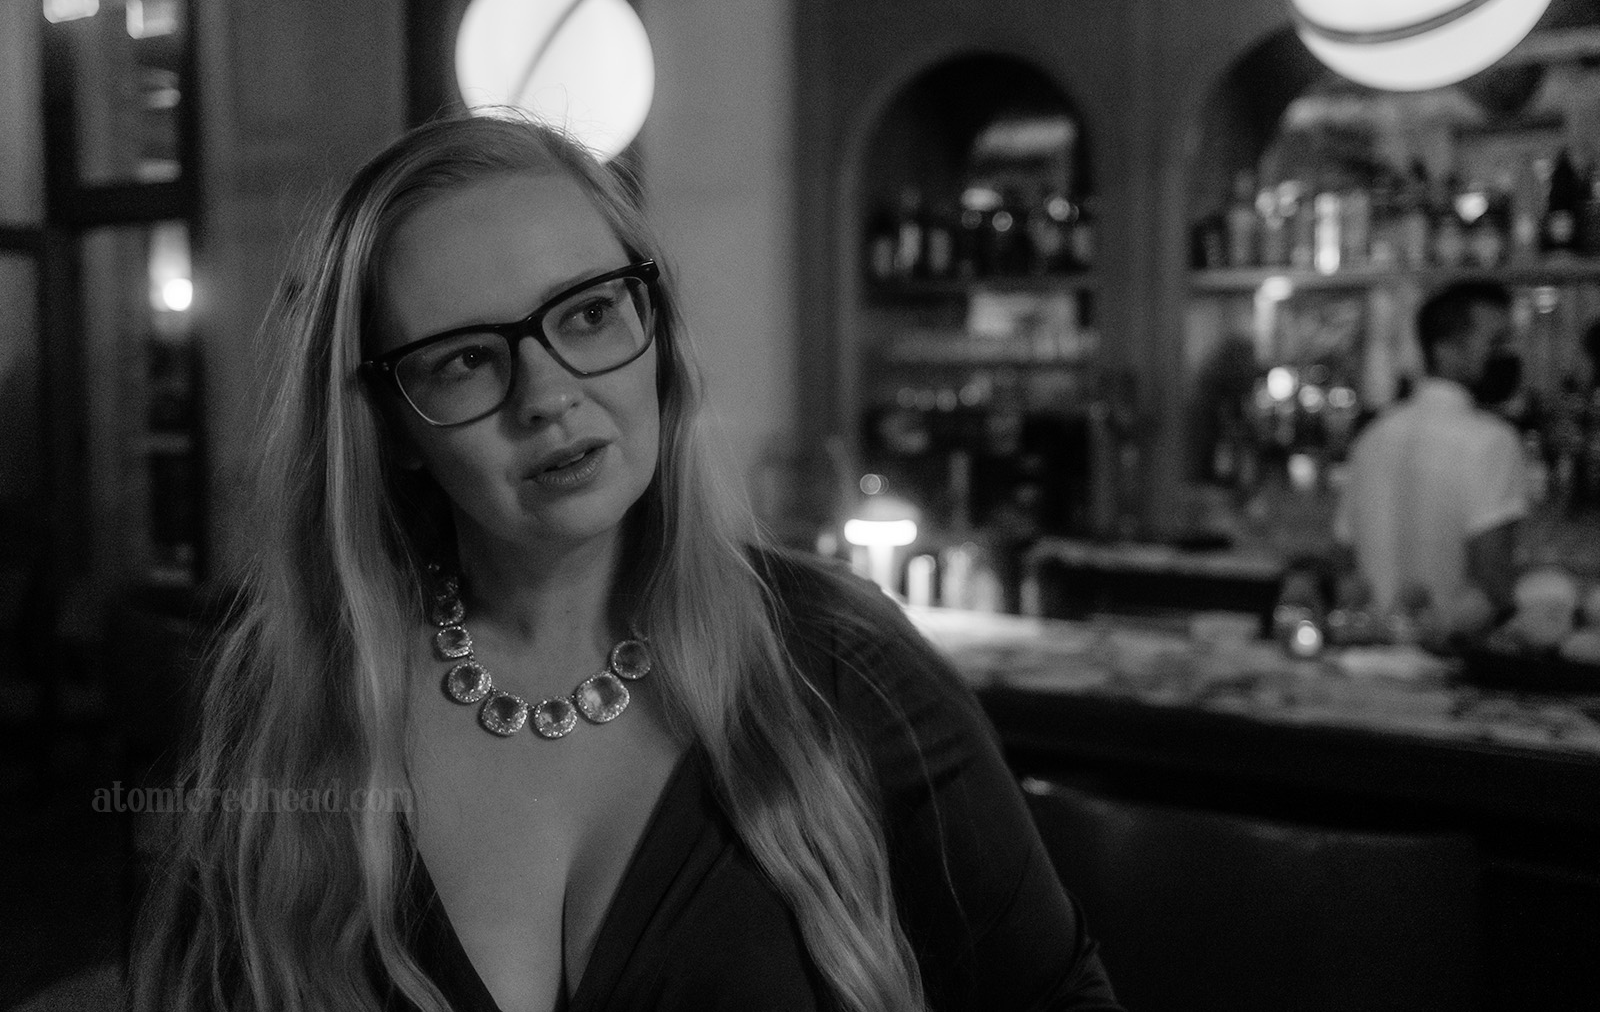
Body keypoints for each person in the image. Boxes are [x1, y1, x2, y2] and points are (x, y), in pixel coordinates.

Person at [128, 113, 1120, 1012]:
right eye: (467, 357)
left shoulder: (840, 663)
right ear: (390, 422)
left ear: (657, 331)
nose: (547, 394)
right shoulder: (292, 701)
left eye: (590, 313)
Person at [1335, 278, 1527, 620]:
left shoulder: (1372, 437)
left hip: (1367, 651)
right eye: (1496, 343)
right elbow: (1493, 583)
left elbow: (1346, 564)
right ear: (1445, 350)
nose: (1509, 356)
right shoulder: (1493, 441)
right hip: (1449, 657)